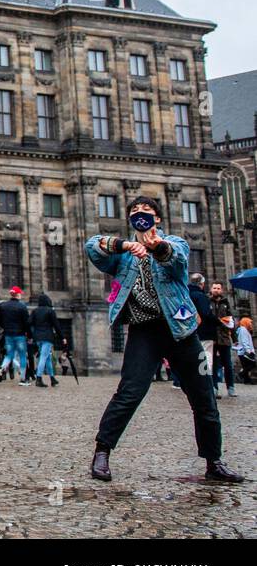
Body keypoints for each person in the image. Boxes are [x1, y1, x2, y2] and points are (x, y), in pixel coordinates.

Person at [86, 196, 243, 484]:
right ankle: (102, 452)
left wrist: (157, 246)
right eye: (134, 210)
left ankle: (214, 460)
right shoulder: (123, 256)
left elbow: (176, 261)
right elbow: (92, 248)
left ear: (157, 218)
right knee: (129, 393)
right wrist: (124, 245)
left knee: (203, 396)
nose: (139, 213)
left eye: (146, 210)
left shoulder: (176, 242)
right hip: (143, 331)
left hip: (180, 331)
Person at [0, 286, 31, 385]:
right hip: (20, 334)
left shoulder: (3, 306)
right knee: (22, 356)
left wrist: (5, 326)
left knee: (9, 354)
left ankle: (2, 368)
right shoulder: (22, 307)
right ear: (18, 294)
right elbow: (27, 323)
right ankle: (23, 379)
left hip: (8, 334)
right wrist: (29, 335)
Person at [189, 273, 217, 396]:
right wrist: (219, 322)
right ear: (202, 284)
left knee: (194, 360)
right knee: (205, 361)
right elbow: (206, 314)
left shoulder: (186, 294)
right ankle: (206, 389)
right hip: (204, 333)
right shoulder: (201, 296)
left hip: (190, 333)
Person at [209, 283, 237, 398]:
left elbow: (231, 319)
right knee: (214, 364)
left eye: (218, 288)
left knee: (228, 364)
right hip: (213, 338)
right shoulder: (207, 302)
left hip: (224, 338)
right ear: (211, 289)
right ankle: (214, 388)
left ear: (222, 290)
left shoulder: (225, 303)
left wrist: (234, 337)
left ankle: (231, 388)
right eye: (214, 288)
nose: (216, 290)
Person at [30, 293, 62, 388]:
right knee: (43, 357)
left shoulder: (35, 311)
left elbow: (29, 322)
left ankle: (52, 379)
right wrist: (62, 337)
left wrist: (32, 334)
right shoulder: (50, 311)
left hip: (38, 338)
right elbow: (56, 325)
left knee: (47, 358)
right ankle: (38, 378)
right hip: (47, 337)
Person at [236, 314, 255, 385]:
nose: (250, 324)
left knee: (245, 366)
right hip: (245, 352)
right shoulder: (243, 330)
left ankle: (247, 380)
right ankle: (241, 374)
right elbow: (244, 341)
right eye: (249, 322)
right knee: (252, 364)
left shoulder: (245, 329)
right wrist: (249, 351)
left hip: (243, 351)